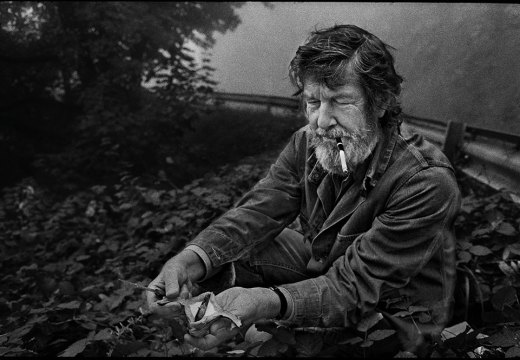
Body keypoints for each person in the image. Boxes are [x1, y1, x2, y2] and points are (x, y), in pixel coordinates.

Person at [147, 24, 461, 357]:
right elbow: (256, 213)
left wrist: (268, 302)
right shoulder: (307, 142)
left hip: (392, 318)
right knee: (230, 253)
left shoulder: (425, 181)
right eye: (313, 102)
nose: (322, 122)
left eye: (340, 101)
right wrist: (191, 259)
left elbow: (355, 288)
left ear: (380, 101)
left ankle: (264, 330)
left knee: (268, 340)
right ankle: (207, 314)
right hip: (328, 271)